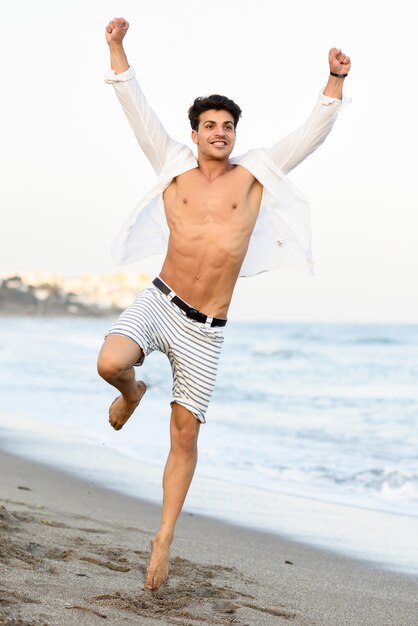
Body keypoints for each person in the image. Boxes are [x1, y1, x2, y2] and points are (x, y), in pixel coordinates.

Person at [97, 17, 351, 591]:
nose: (220, 133)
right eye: (210, 125)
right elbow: (135, 108)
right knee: (110, 362)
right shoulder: (171, 165)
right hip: (160, 301)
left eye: (228, 126)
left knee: (184, 434)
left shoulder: (255, 176)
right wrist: (117, 48)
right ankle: (132, 390)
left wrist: (333, 83)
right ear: (194, 133)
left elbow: (307, 136)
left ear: (236, 134)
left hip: (206, 329)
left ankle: (162, 539)